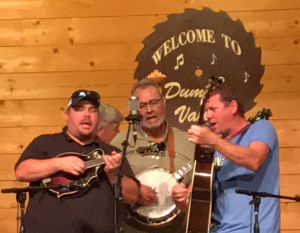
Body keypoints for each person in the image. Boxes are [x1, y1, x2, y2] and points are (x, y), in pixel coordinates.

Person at [15, 89, 139, 233]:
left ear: (98, 117)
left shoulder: (111, 152)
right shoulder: (45, 143)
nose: (86, 114)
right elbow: (21, 172)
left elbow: (132, 196)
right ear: (67, 114)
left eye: (92, 110)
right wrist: (59, 163)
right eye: (79, 109)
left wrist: (113, 174)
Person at [175, 83, 280, 232]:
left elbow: (254, 160)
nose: (208, 116)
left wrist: (213, 140)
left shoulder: (261, 128)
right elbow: (200, 205)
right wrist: (183, 199)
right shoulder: (215, 149)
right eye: (206, 110)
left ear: (233, 107)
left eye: (213, 109)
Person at [112, 78, 195, 233]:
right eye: (142, 106)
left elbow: (201, 183)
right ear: (134, 109)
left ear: (163, 102)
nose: (149, 110)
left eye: (154, 102)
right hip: (133, 228)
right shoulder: (121, 142)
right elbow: (110, 181)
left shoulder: (188, 141)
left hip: (178, 229)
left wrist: (188, 193)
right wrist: (134, 191)